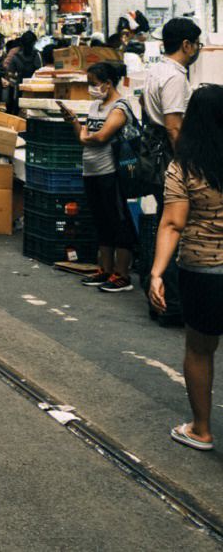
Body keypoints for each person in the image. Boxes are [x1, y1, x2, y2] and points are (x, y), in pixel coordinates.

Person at [150, 85, 223, 451]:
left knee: (199, 349)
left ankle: (201, 429)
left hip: (202, 271)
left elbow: (173, 223)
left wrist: (156, 273)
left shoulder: (183, 167)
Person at [58, 62, 138, 292]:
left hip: (111, 173)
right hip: (91, 171)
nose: (90, 88)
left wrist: (84, 136)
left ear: (108, 83)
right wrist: (74, 122)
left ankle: (122, 275)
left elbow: (101, 137)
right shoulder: (96, 105)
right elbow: (84, 134)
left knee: (118, 221)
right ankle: (104, 270)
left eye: (93, 83)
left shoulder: (120, 107)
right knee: (101, 221)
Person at [142, 17, 201, 324]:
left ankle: (157, 296)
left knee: (165, 228)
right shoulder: (175, 77)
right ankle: (172, 303)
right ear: (187, 45)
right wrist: (187, 169)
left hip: (155, 161)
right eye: (197, 44)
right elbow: (174, 127)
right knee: (176, 230)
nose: (198, 50)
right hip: (169, 162)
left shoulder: (156, 70)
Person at [3, 31, 42, 115]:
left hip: (21, 87)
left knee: (19, 109)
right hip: (36, 87)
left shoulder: (15, 57)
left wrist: (17, 76)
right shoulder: (38, 55)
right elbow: (41, 71)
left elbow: (10, 73)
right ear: (34, 42)